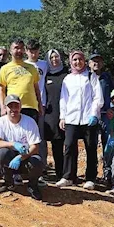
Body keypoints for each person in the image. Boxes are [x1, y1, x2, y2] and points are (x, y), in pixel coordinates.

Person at [55, 50, 103, 189]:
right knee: (69, 146)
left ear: (84, 61)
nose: (77, 62)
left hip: (88, 118)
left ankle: (90, 178)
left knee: (91, 147)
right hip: (72, 118)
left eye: (80, 59)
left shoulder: (91, 76)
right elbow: (63, 99)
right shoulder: (68, 79)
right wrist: (62, 116)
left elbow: (97, 96)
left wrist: (94, 113)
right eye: (75, 60)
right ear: (71, 61)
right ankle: (68, 176)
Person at [0, 94, 44, 200]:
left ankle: (32, 186)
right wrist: (13, 144)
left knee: (37, 161)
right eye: (10, 106)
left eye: (16, 106)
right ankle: (8, 183)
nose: (13, 109)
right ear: (5, 108)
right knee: (2, 153)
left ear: (20, 107)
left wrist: (21, 157)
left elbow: (35, 147)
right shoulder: (0, 122)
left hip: (26, 156)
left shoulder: (29, 121)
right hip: (9, 156)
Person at [0, 39, 42, 124]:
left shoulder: (32, 68)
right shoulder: (5, 68)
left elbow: (36, 89)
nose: (19, 50)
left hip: (31, 107)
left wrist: (40, 105)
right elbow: (1, 90)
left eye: (21, 48)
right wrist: (2, 107)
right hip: (13, 107)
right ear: (10, 50)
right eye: (16, 48)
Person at [88, 53, 114, 187]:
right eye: (93, 61)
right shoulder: (86, 77)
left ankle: (107, 175)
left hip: (105, 115)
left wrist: (113, 108)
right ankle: (91, 175)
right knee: (91, 145)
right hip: (90, 116)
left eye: (99, 61)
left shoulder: (107, 78)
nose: (96, 63)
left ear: (102, 64)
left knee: (108, 145)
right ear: (89, 63)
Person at [43, 49, 68, 181]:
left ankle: (69, 174)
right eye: (51, 57)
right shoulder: (46, 76)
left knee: (68, 144)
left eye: (56, 57)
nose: (54, 59)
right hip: (51, 114)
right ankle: (58, 174)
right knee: (56, 144)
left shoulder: (67, 74)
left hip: (67, 113)